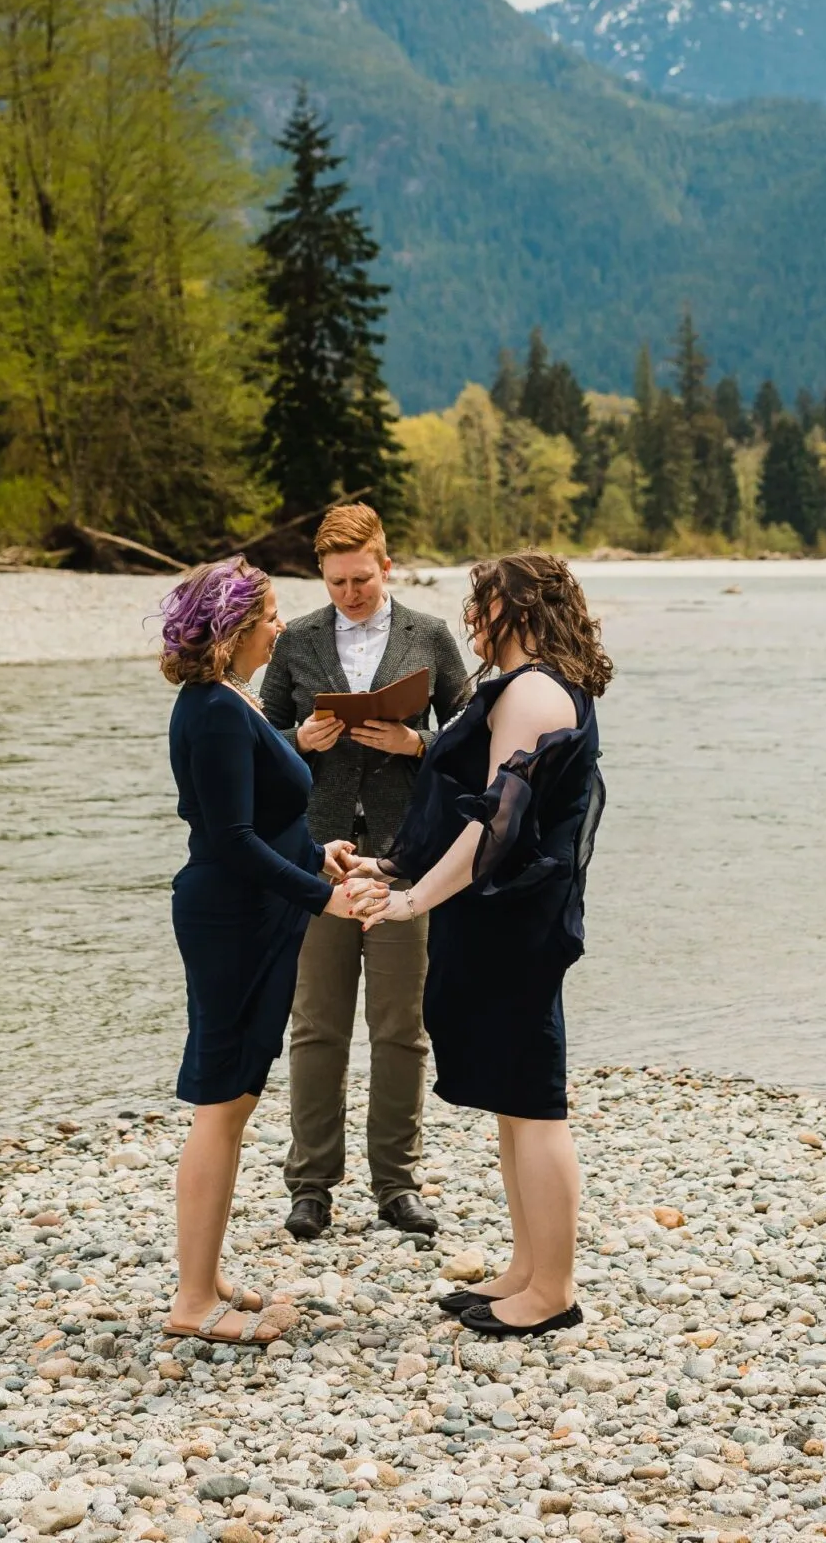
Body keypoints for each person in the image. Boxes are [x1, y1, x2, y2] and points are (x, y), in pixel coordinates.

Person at [350, 551, 608, 1337]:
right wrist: (390, 862)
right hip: (506, 915)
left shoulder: (533, 693)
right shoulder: (530, 686)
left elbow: (493, 824)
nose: (473, 616)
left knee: (535, 1102)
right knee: (512, 1099)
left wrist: (410, 899)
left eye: (485, 603)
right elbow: (466, 805)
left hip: (519, 922)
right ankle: (526, 1268)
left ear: (521, 611)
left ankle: (552, 1289)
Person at [161, 555, 365, 1345]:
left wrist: (317, 856)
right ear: (237, 628)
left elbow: (259, 825)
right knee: (222, 1102)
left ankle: (205, 1275)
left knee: (234, 1098)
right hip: (232, 920)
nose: (282, 627)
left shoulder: (225, 700)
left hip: (254, 910)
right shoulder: (211, 710)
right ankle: (190, 1301)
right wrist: (322, 895)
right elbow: (231, 840)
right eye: (272, 615)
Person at [260, 501, 469, 1242]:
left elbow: (472, 744)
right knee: (316, 1028)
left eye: (360, 579)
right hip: (315, 860)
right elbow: (261, 746)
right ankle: (311, 1186)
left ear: (387, 565)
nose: (348, 593)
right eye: (335, 581)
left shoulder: (431, 637)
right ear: (321, 574)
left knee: (401, 1030)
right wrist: (300, 739)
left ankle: (397, 1185)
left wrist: (418, 745)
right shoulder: (296, 641)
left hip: (404, 860)